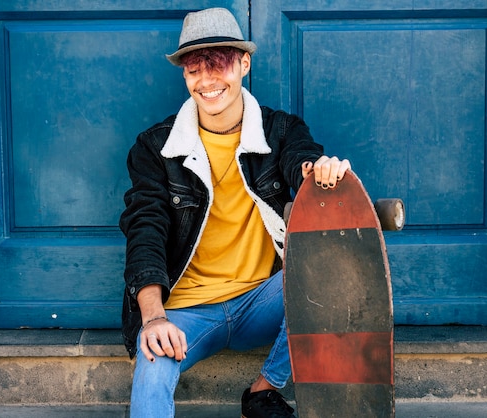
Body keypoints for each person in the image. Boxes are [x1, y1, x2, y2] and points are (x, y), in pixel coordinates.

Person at [119, 7, 351, 418]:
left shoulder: (280, 131)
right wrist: (153, 319)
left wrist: (322, 174)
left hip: (260, 302)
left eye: (219, 64)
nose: (207, 81)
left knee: (332, 273)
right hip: (185, 313)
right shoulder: (155, 148)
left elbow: (304, 163)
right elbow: (145, 229)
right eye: (194, 69)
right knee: (152, 364)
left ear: (244, 63)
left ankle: (263, 391)